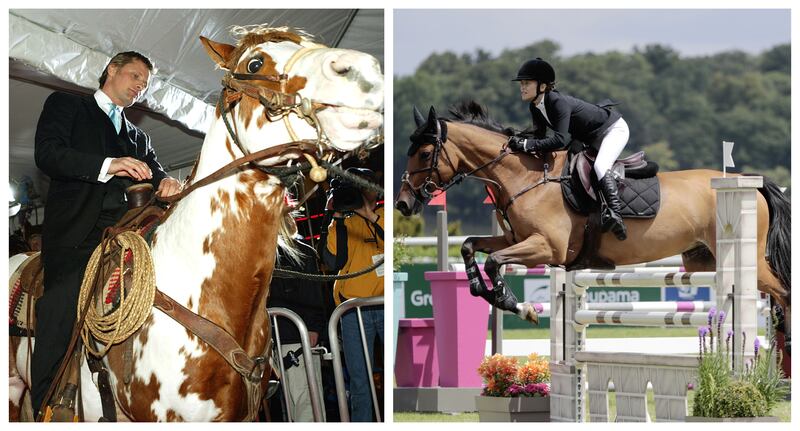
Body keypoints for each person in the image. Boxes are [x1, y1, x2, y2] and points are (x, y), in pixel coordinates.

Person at [31, 51, 182, 417]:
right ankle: (46, 403)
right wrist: (108, 165)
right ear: (111, 70)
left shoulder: (138, 136)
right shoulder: (66, 104)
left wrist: (170, 182)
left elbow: (157, 173)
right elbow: (47, 154)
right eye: (134, 76)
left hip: (131, 235)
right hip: (77, 235)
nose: (139, 87)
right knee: (62, 301)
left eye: (144, 84)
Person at [508, 58, 629, 240]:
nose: (522, 87)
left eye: (527, 83)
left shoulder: (557, 102)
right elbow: (539, 138)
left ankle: (615, 214)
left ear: (542, 86)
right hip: (588, 136)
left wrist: (526, 144)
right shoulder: (535, 107)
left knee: (601, 166)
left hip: (612, 130)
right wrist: (518, 140)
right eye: (521, 84)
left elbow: (559, 139)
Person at [320, 167, 384, 422]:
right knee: (359, 380)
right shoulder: (342, 223)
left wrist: (369, 214)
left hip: (384, 304)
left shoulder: (385, 216)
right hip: (353, 310)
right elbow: (333, 260)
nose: (363, 191)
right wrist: (335, 216)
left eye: (367, 185)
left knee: (394, 371)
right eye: (358, 186)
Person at [267, 237, 326, 422]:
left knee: (306, 401)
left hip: (297, 339)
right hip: (274, 341)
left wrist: (314, 328)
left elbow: (314, 294)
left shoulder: (300, 251)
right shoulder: (260, 250)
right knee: (294, 404)